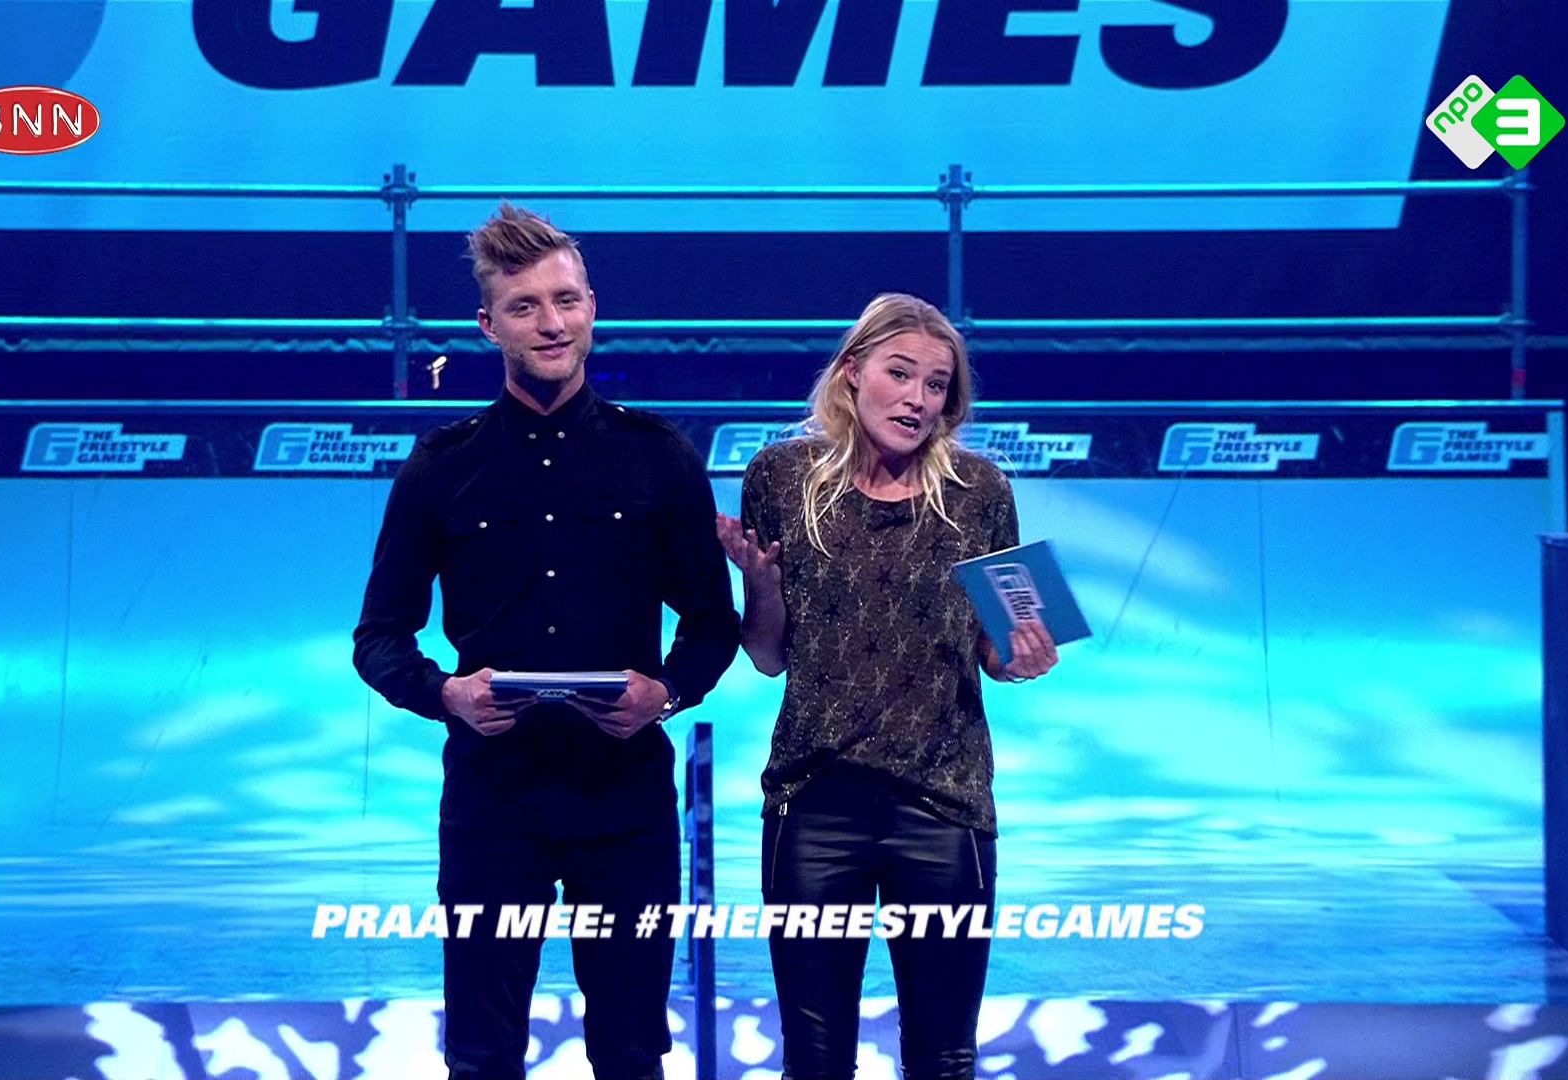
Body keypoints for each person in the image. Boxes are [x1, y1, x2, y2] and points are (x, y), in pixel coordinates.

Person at [354, 203, 740, 1080]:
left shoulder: (659, 457)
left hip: (626, 804)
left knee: (631, 1050)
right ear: (488, 325)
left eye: (565, 301)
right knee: (482, 1053)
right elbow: (378, 636)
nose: (551, 323)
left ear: (592, 308)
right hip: (492, 805)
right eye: (524, 306)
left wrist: (667, 694)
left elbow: (712, 624)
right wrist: (445, 695)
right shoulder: (443, 465)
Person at [716, 293, 1058, 1080]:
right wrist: (759, 585)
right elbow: (768, 657)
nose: (917, 398)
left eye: (936, 385)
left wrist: (1023, 656)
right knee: (815, 1059)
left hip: (944, 806)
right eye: (899, 374)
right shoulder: (779, 478)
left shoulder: (981, 490)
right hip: (814, 801)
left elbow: (1002, 649)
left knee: (943, 1056)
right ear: (851, 372)